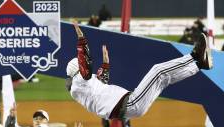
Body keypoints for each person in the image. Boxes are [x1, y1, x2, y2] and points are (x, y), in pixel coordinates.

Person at [66, 21, 211, 121]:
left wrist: (105, 64)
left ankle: (199, 65)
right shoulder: (78, 82)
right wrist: (81, 40)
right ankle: (194, 56)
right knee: (158, 71)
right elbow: (85, 65)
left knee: (164, 79)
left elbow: (100, 82)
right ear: (76, 69)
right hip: (130, 103)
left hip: (129, 106)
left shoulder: (81, 88)